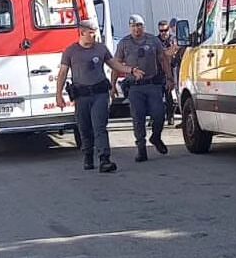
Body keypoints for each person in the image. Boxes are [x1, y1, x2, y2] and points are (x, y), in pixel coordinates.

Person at [57, 19, 144, 173]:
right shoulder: (71, 51)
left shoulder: (101, 49)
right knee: (84, 128)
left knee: (100, 127)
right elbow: (63, 73)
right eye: (91, 32)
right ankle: (88, 156)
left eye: (95, 32)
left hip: (99, 94)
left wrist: (131, 70)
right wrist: (59, 95)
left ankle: (104, 159)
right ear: (82, 32)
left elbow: (115, 64)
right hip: (81, 96)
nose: (94, 35)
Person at [114, 14, 174, 162]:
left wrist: (169, 78)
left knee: (159, 114)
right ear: (130, 27)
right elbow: (116, 64)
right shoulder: (124, 43)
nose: (136, 29)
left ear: (143, 26)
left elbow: (163, 59)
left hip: (152, 84)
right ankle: (141, 148)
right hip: (135, 87)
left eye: (139, 25)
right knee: (138, 117)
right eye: (133, 26)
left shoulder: (153, 41)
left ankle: (156, 137)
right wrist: (112, 84)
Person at [157, 19, 180, 126]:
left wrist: (169, 53)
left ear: (169, 29)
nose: (163, 33)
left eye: (165, 30)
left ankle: (170, 116)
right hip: (160, 70)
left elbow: (175, 51)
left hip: (173, 68)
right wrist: (168, 53)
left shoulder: (173, 39)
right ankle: (156, 117)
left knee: (171, 94)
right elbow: (163, 54)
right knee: (158, 96)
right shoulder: (156, 41)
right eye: (161, 31)